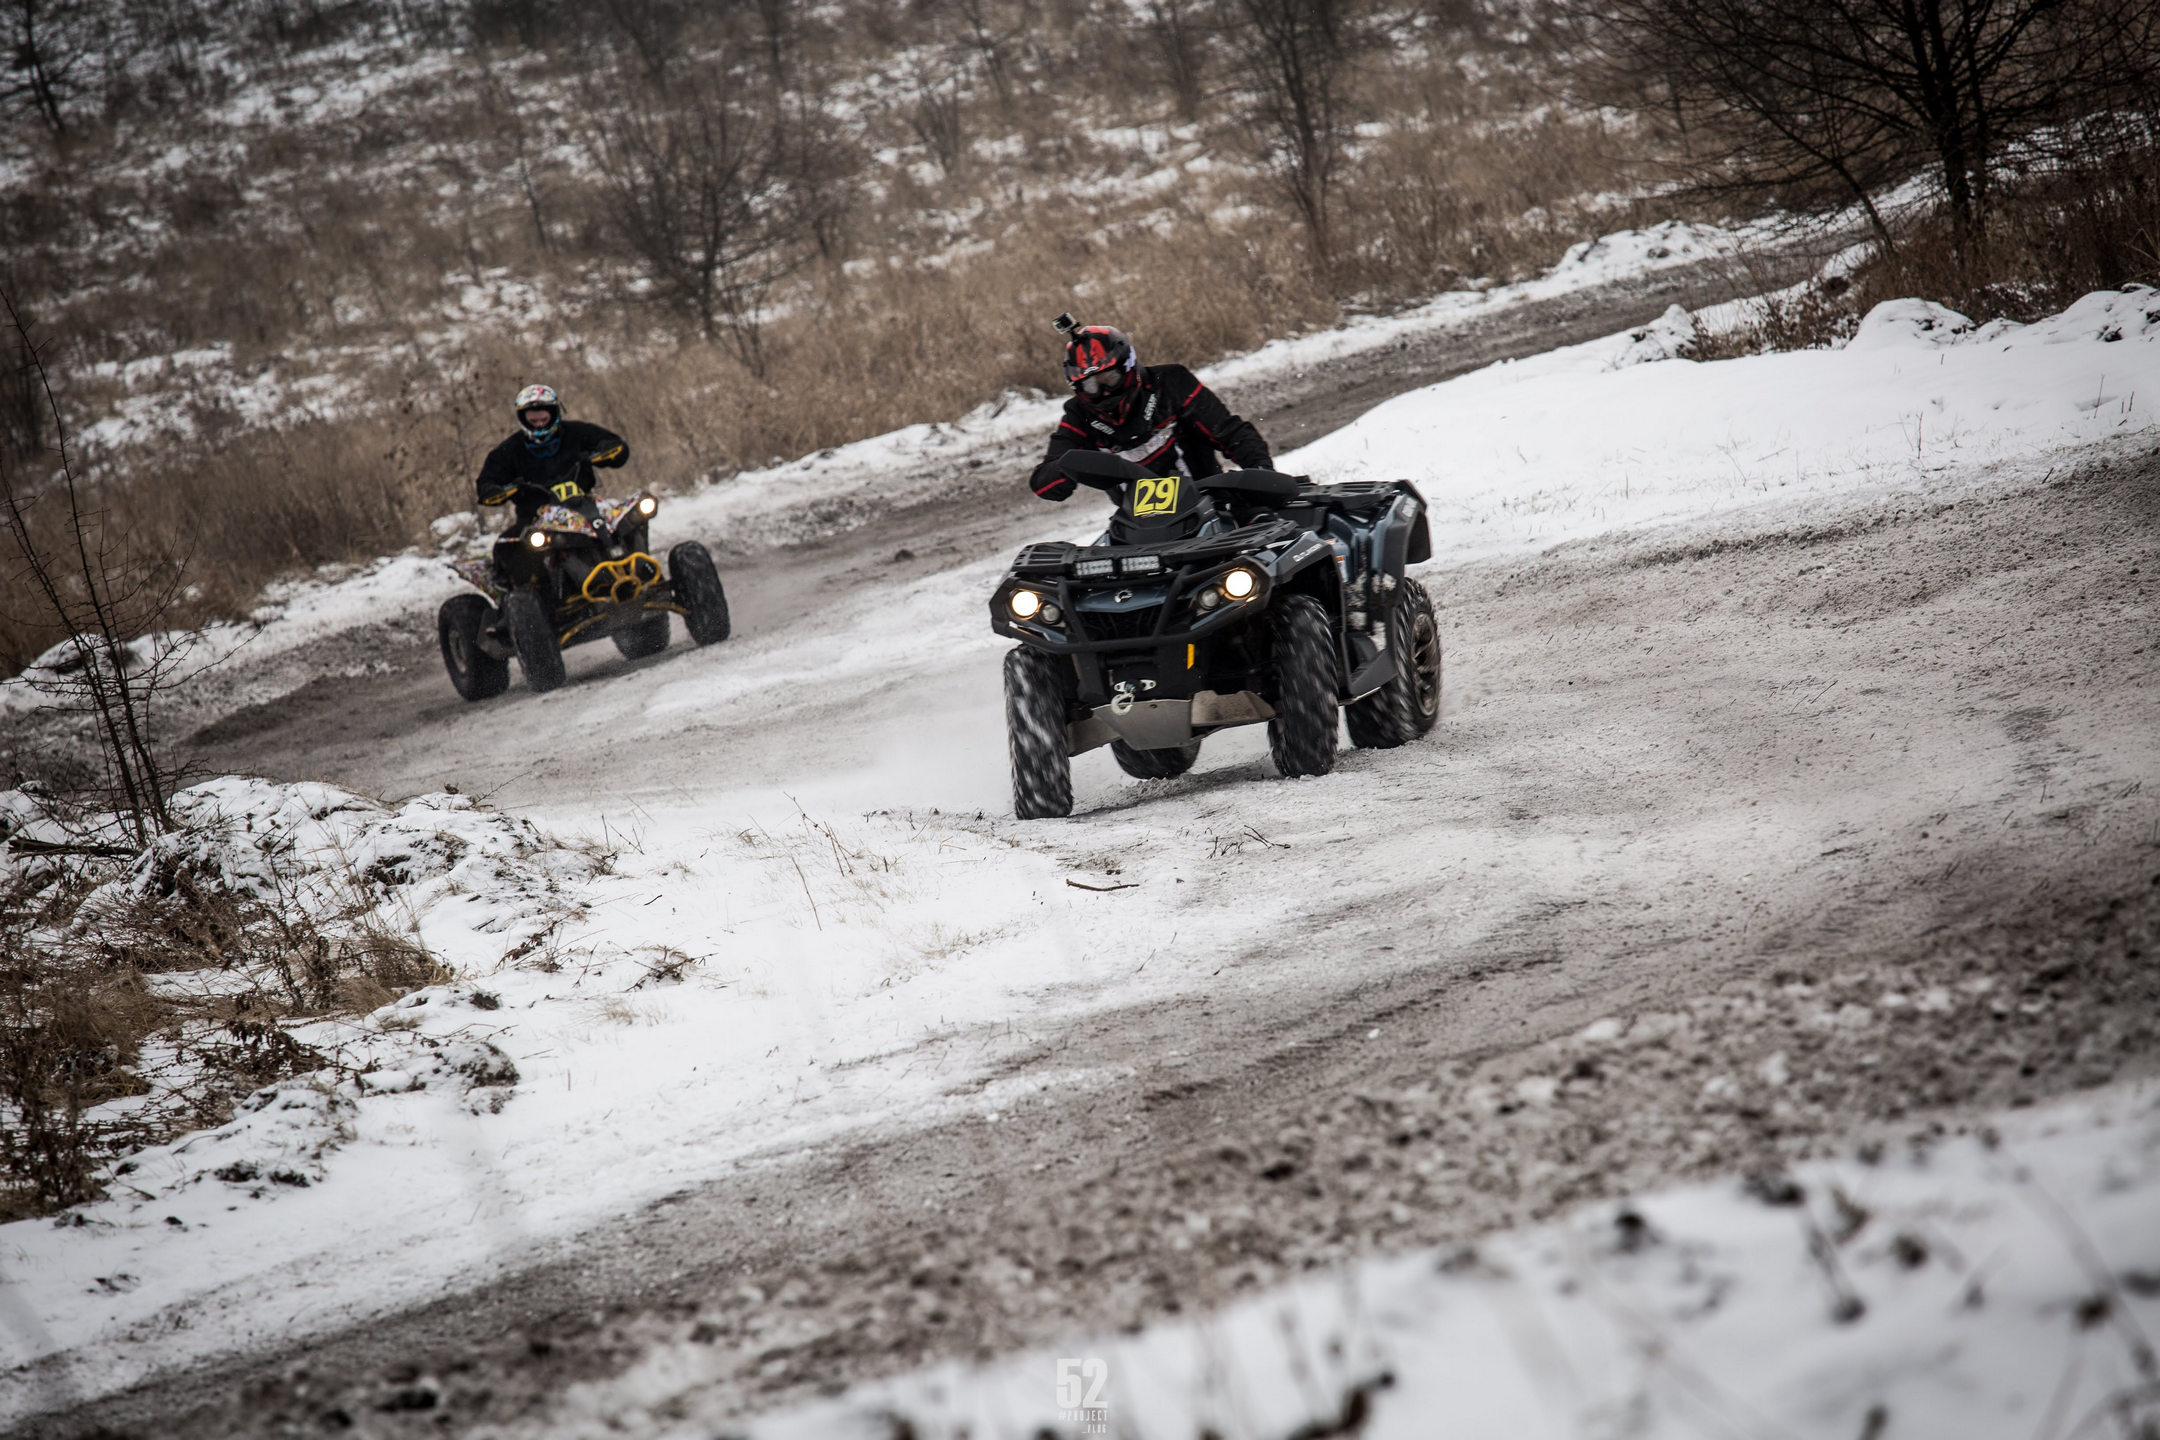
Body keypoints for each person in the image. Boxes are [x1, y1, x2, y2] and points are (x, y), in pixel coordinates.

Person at [1027, 319, 1274, 503]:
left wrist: (1261, 472)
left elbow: (1229, 432)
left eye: (1109, 378)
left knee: (1263, 522)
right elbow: (1044, 481)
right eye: (1091, 386)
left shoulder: (1170, 382)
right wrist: (1062, 469)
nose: (1102, 391)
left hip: (1210, 504)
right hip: (1138, 530)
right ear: (1077, 387)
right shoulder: (1078, 414)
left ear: (1128, 365)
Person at [474, 384, 629, 528]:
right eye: (533, 421)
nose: (539, 425)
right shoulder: (508, 450)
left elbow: (615, 446)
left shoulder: (578, 432)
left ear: (554, 413)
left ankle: (637, 556)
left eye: (544, 419)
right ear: (523, 418)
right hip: (534, 518)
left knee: (629, 521)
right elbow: (486, 482)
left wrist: (606, 449)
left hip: (586, 506)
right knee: (504, 548)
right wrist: (494, 490)